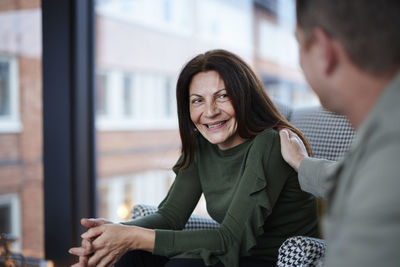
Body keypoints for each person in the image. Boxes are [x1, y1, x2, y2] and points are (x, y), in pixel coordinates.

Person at [69, 49, 319, 267]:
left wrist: (133, 236)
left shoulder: (271, 143)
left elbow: (231, 239)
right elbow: (170, 217)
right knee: (131, 257)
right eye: (197, 100)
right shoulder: (201, 144)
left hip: (276, 258)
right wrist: (113, 232)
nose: (209, 112)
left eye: (223, 96)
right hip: (230, 254)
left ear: (245, 97)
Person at [278, 0, 400, 266]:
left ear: (323, 50)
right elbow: (354, 175)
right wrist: (301, 162)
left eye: (299, 44)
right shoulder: (383, 134)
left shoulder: (389, 162)